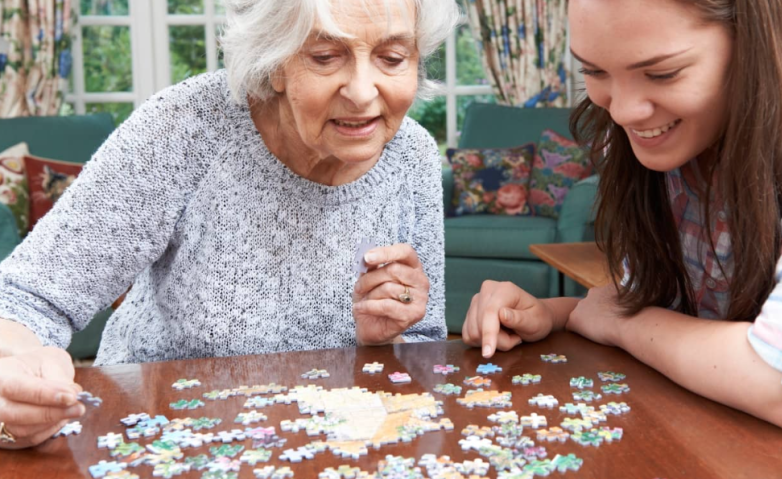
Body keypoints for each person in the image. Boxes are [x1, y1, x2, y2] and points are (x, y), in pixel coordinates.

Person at [0, 0, 459, 449]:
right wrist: (13, 386)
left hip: (329, 449)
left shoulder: (412, 155)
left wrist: (386, 336)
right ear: (275, 63)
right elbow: (25, 298)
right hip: (158, 439)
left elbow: (423, 348)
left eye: (392, 58)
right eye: (325, 56)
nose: (361, 92)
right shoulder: (184, 126)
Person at [463, 0, 782, 434]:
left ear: (746, 34)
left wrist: (619, 321)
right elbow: (662, 318)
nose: (622, 112)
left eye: (662, 73)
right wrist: (550, 314)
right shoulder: (658, 127)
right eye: (594, 71)